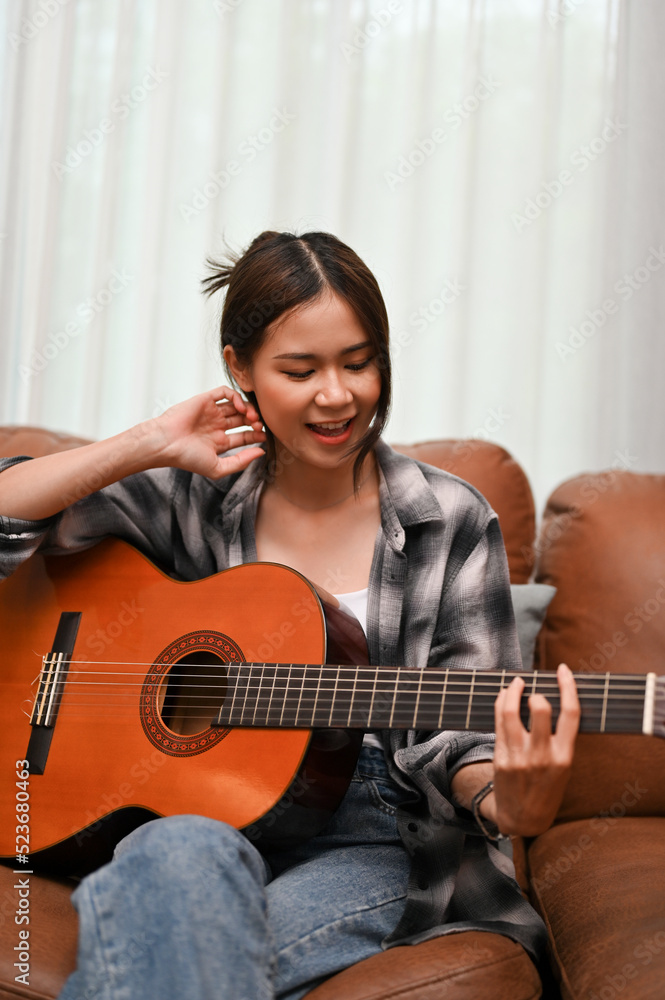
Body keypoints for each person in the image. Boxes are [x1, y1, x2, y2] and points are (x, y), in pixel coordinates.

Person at [0, 230, 580, 1000]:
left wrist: (511, 798)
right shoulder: (193, 491)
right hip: (196, 822)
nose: (335, 395)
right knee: (175, 863)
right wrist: (148, 443)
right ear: (239, 368)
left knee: (173, 944)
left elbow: (464, 735)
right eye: (299, 370)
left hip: (376, 838)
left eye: (358, 362)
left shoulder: (449, 518)